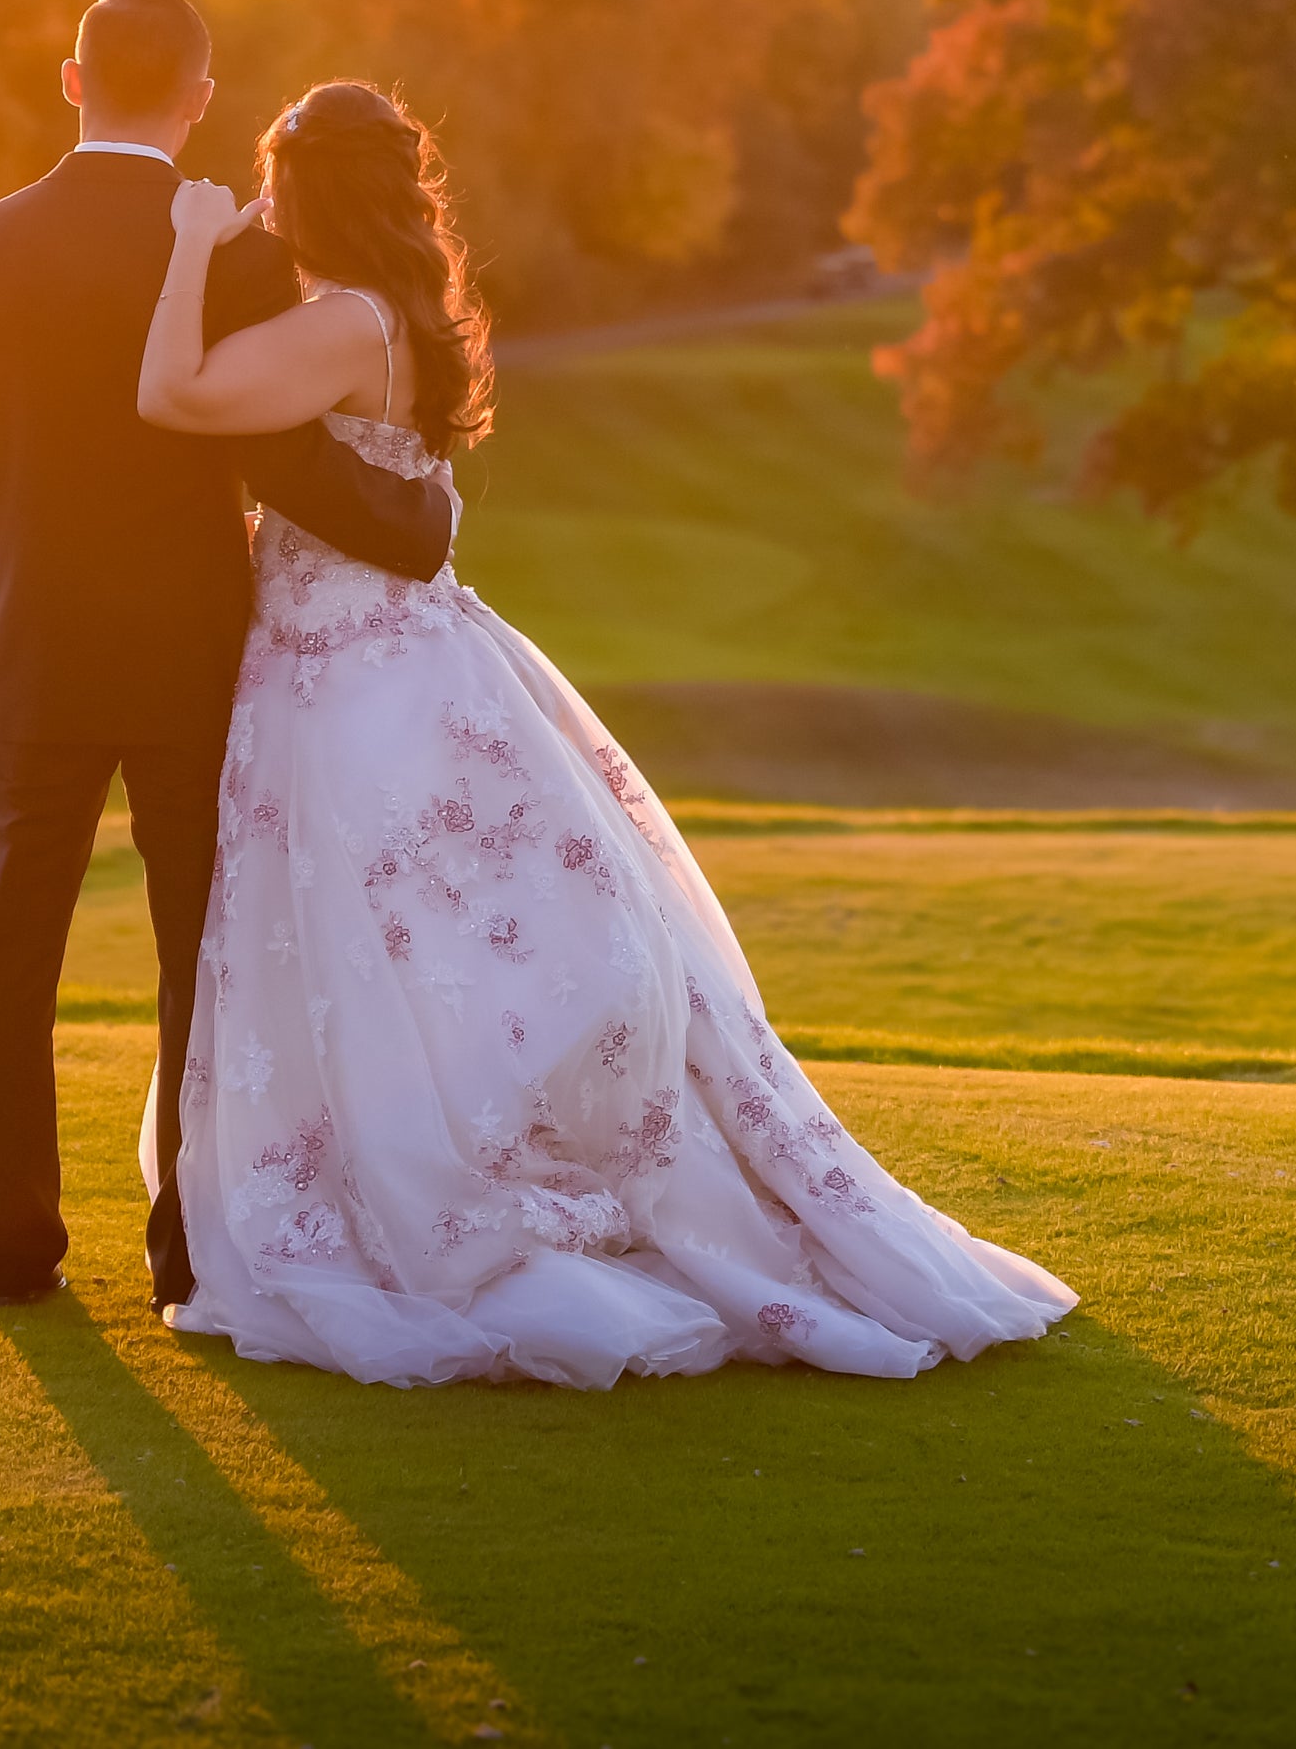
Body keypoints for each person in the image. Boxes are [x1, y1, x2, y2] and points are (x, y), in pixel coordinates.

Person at [129, 78, 1073, 1385]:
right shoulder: (399, 315)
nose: (263, 202)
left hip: (335, 682)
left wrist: (185, 244)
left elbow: (173, 393)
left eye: (278, 182)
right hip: (403, 655)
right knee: (419, 938)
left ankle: (421, 1196)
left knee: (357, 932)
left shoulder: (340, 324)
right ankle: (461, 1158)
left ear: (321, 193)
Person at [0, 0, 461, 1311]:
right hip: (196, 647)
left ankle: (10, 1248)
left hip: (35, 640)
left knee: (15, 943)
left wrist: (46, 541)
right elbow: (276, 441)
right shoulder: (248, 258)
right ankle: (188, 1250)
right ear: (199, 100)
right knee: (198, 946)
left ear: (69, 78)